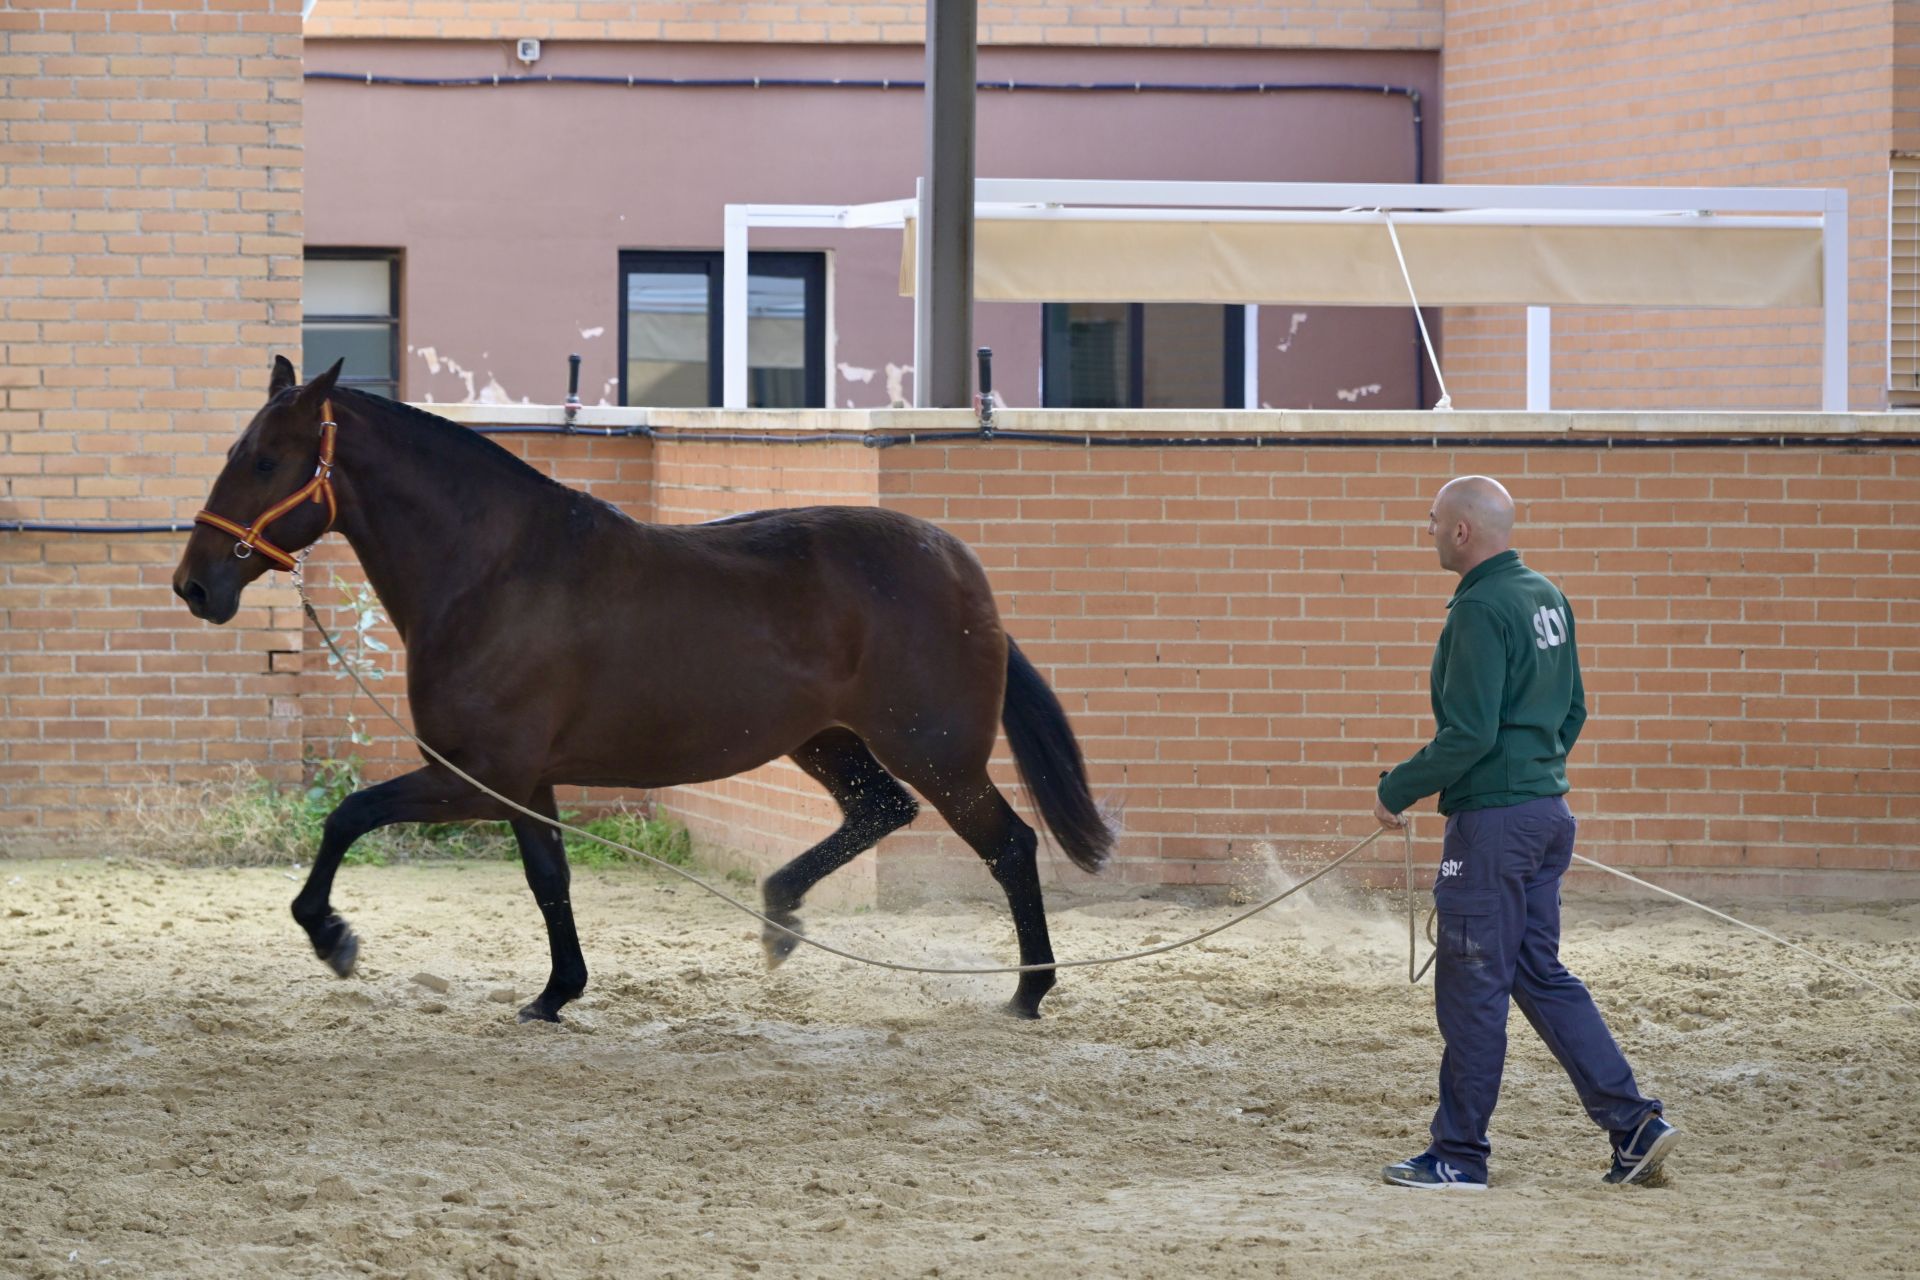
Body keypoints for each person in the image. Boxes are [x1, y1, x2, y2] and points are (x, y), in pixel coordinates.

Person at [1372, 475, 1677, 1190]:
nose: (1426, 532)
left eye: (1432, 522)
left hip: (1495, 826)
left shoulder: (1479, 609)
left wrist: (1398, 789)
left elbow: (1469, 734)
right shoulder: (1547, 595)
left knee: (1472, 986)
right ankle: (1634, 1125)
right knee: (1539, 974)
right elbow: (1574, 708)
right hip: (1546, 815)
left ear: (1461, 533)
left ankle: (1458, 1155)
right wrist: (1535, 771)